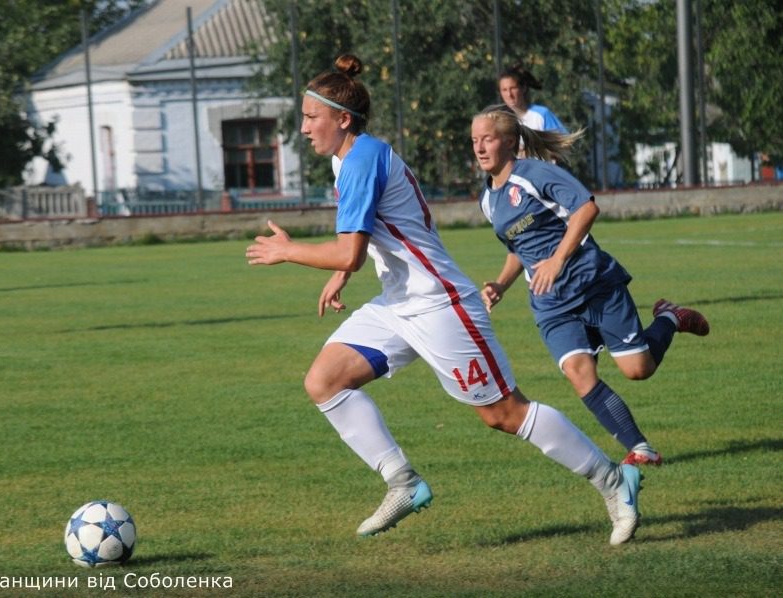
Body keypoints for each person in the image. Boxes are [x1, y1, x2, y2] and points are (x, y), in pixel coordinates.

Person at [246, 55, 642, 546]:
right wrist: (342, 276)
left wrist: (290, 252)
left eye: (311, 116)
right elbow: (364, 239)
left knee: (503, 414)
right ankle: (403, 483)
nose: (302, 128)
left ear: (342, 119)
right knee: (324, 381)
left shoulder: (364, 159)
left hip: (440, 304)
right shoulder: (348, 156)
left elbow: (348, 250)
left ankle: (613, 479)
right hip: (398, 302)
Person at [471, 104, 710, 467]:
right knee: (579, 374)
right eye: (474, 140)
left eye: (487, 139)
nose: (479, 147)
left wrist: (558, 259)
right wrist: (501, 285)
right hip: (549, 301)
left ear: (508, 140)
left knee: (638, 369)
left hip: (591, 281)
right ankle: (640, 448)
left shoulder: (535, 174)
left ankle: (670, 318)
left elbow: (585, 208)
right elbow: (518, 248)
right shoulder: (488, 199)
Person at [498, 63, 568, 135]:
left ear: (524, 88)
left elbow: (564, 142)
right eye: (504, 90)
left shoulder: (542, 115)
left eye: (513, 88)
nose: (509, 94)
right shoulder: (500, 122)